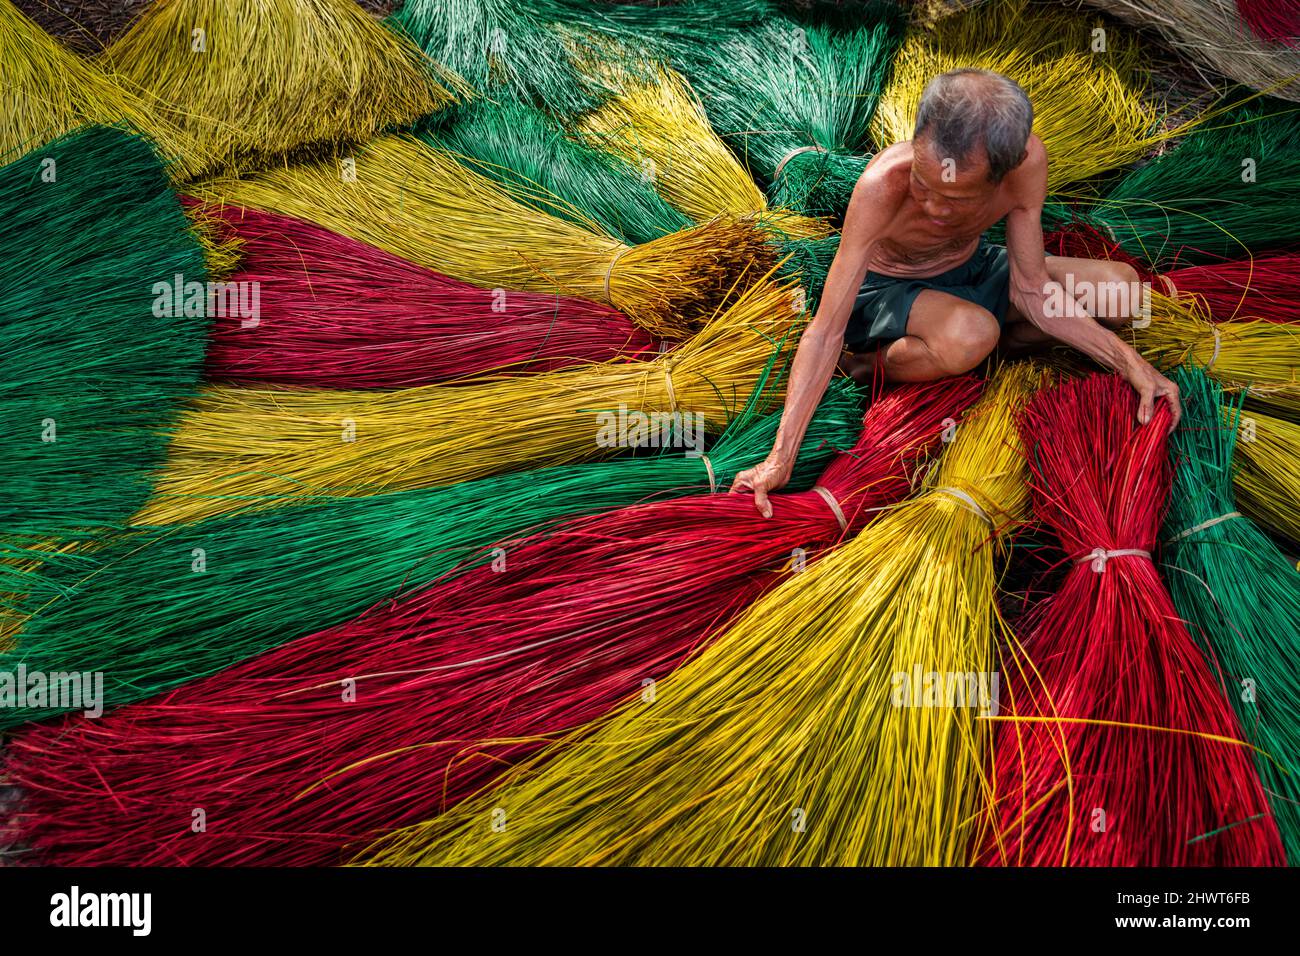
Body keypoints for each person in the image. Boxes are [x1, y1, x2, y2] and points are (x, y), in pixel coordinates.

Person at [731, 68, 1181, 517]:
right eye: (923, 186)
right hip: (889, 293)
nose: (932, 206)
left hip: (976, 269)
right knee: (971, 333)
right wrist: (779, 460)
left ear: (1006, 167)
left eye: (956, 199)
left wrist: (1131, 365)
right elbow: (826, 329)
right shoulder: (882, 185)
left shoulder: (1026, 166)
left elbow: (1030, 287)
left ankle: (986, 345)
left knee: (1122, 293)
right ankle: (868, 365)